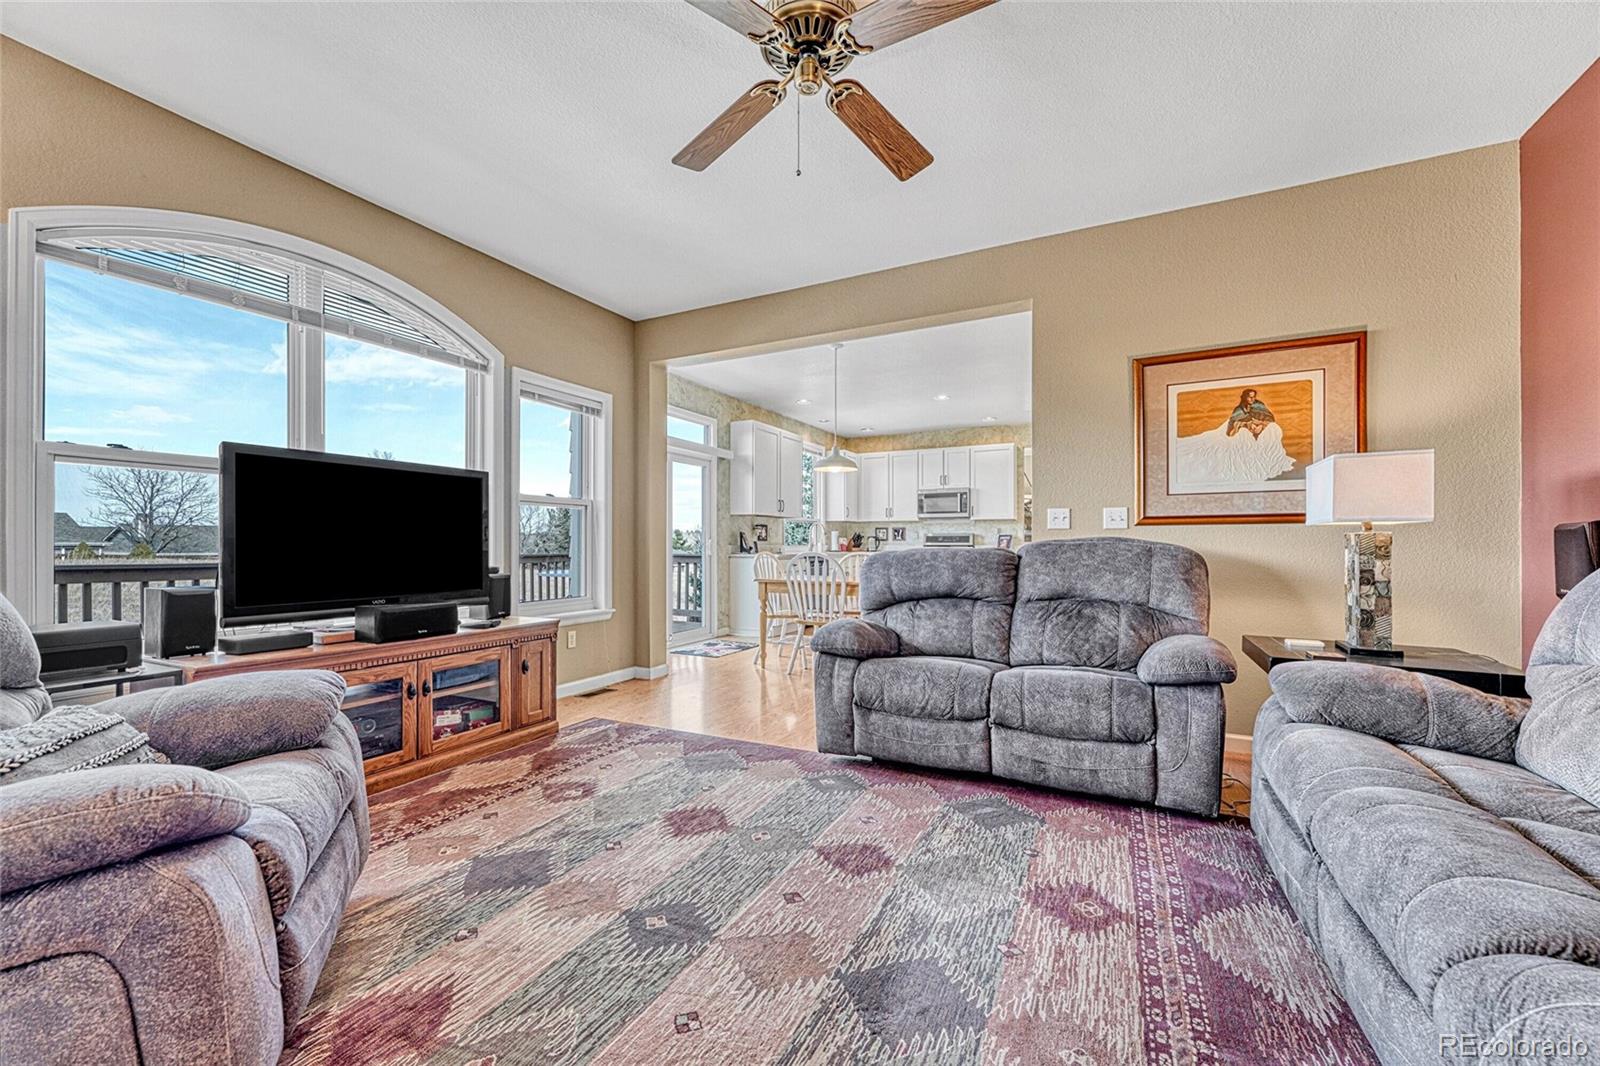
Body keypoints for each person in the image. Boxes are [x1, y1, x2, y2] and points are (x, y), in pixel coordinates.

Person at [1173, 387, 1295, 486]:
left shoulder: (1259, 405)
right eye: (1249, 397)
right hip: (1243, 429)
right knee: (1242, 436)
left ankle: (1267, 456)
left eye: (1254, 397)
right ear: (1245, 397)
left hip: (1261, 427)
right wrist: (1248, 425)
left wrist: (1261, 426)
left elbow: (1269, 418)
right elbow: (1233, 425)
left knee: (1274, 429)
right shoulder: (1239, 409)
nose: (1252, 399)